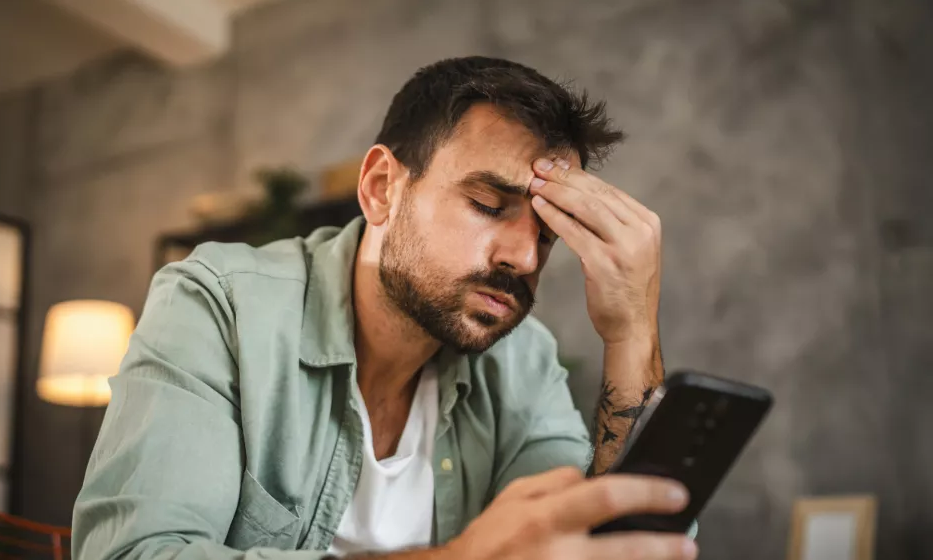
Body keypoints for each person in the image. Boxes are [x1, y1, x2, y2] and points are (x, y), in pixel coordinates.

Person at [72, 56, 698, 560]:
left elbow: (608, 545)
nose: (525, 258)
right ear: (380, 189)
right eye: (486, 204)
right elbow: (134, 553)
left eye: (545, 233)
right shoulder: (220, 304)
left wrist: (631, 332)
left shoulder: (521, 362)